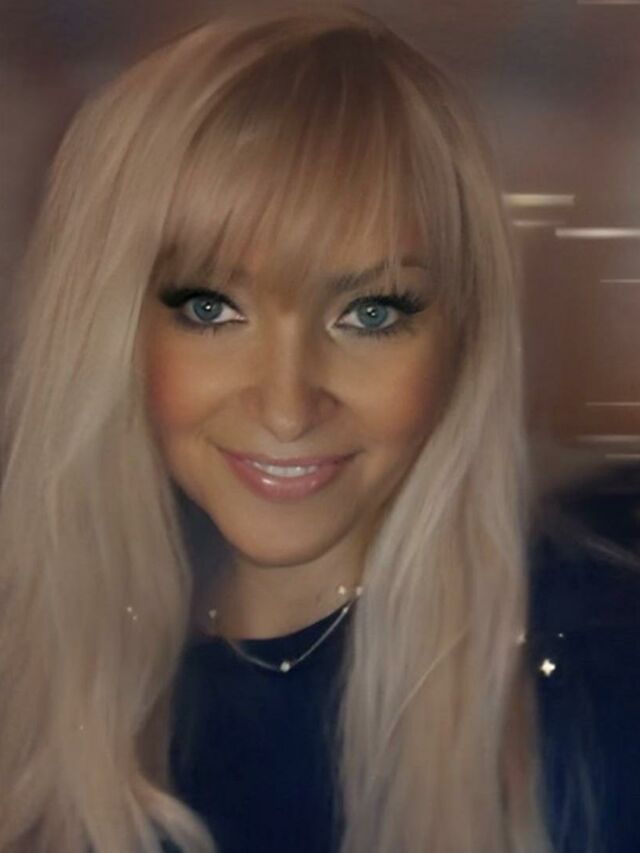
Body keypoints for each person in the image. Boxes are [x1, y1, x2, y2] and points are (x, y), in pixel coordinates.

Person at [1, 5, 639, 852]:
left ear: (464, 334)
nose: (287, 405)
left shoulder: (593, 679)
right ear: (109, 330)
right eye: (211, 307)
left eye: (370, 312)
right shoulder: (40, 677)